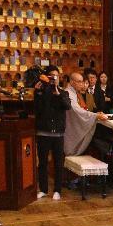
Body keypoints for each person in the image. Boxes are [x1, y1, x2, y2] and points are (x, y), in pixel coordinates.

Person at [34, 65, 71, 200]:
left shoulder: (63, 93)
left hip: (58, 134)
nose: (54, 79)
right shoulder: (41, 92)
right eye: (51, 76)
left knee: (58, 163)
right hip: (43, 132)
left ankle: (57, 190)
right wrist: (38, 93)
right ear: (46, 77)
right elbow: (37, 109)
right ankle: (43, 189)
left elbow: (67, 106)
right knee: (42, 163)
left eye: (56, 76)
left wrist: (58, 93)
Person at [63, 72, 107, 157]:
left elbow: (83, 110)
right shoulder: (68, 93)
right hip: (70, 126)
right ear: (72, 82)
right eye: (79, 82)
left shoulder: (76, 93)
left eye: (82, 81)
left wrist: (95, 114)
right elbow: (76, 110)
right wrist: (95, 116)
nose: (82, 84)